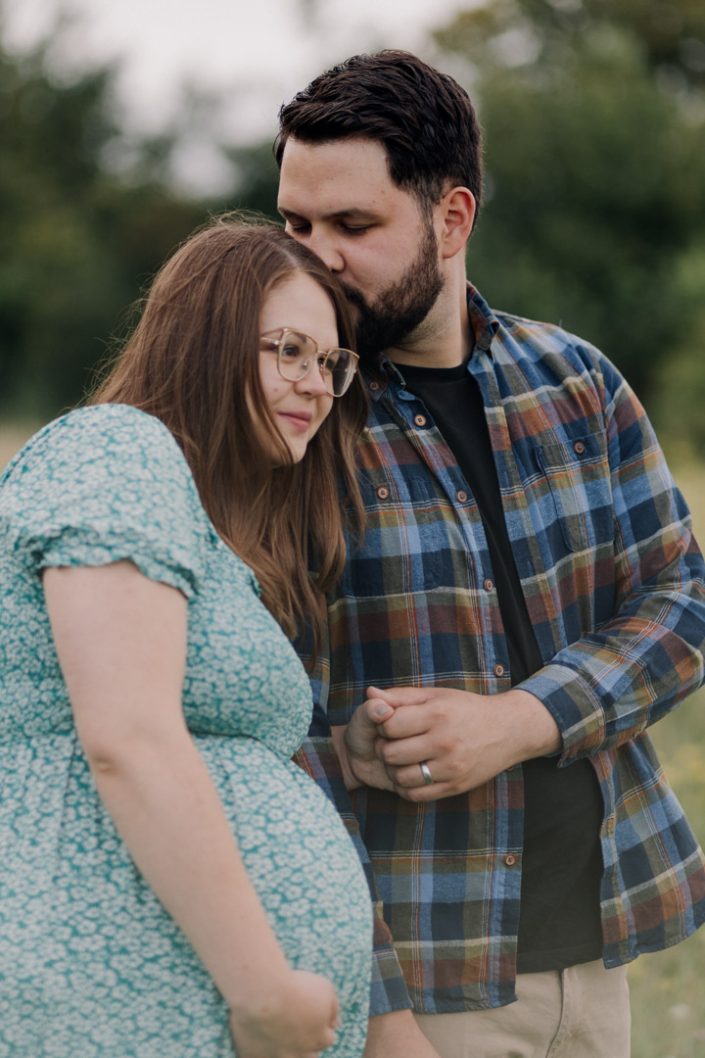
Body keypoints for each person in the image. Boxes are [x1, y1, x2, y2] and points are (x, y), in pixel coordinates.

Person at [275, 50, 705, 1058]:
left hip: (597, 945)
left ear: (453, 219)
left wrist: (523, 718)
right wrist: (382, 1018)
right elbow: (273, 745)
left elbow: (683, 597)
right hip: (421, 976)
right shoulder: (292, 421)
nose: (310, 258)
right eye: (295, 224)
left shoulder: (576, 381)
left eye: (352, 226)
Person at [0, 215, 374, 1058]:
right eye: (287, 349)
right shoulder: (119, 449)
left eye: (328, 362)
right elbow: (127, 738)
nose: (315, 384)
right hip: (115, 1008)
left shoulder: (203, 521)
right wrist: (265, 990)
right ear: (204, 340)